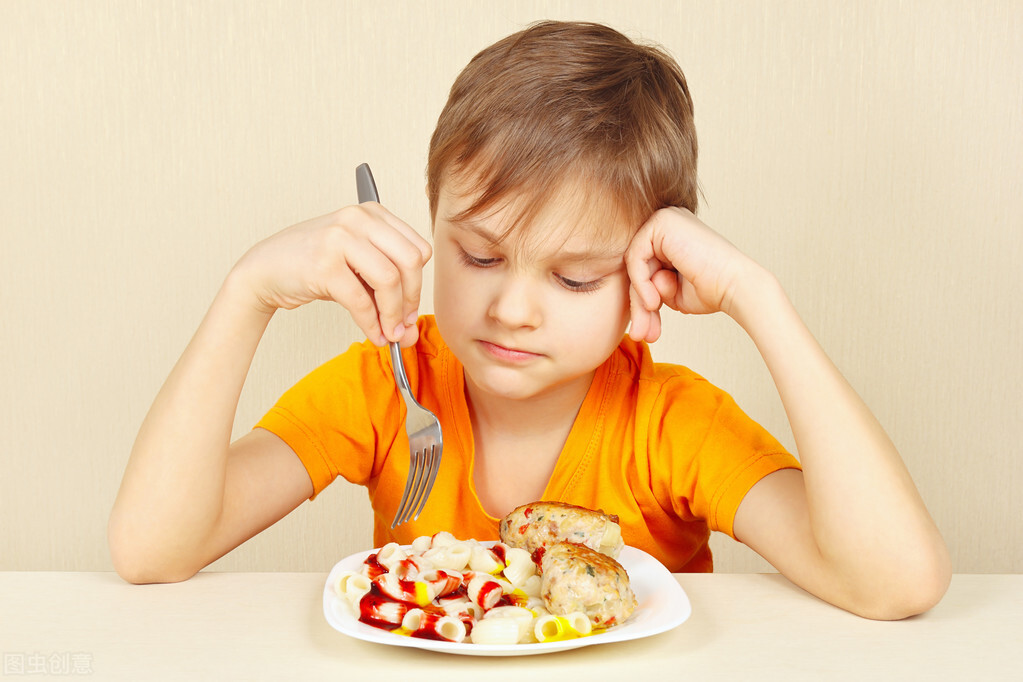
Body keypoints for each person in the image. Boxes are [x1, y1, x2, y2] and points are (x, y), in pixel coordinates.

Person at [109, 21, 950, 619]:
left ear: (644, 274)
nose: (511, 308)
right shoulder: (388, 385)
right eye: (476, 257)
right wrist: (246, 292)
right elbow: (152, 551)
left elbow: (896, 582)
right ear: (432, 219)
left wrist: (758, 300)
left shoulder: (669, 424)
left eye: (575, 277)